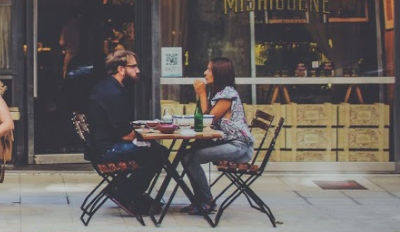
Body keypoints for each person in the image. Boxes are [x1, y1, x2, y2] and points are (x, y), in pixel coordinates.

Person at [86, 50, 167, 214]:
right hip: (108, 150)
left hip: (102, 146)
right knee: (157, 153)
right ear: (121, 69)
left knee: (156, 151)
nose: (138, 71)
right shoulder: (113, 93)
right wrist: (148, 133)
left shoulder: (108, 86)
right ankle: (125, 193)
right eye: (133, 66)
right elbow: (126, 135)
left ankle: (127, 191)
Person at [181, 57, 254, 215]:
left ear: (218, 73)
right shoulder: (219, 92)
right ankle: (200, 200)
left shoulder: (227, 95)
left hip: (238, 147)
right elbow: (204, 117)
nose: (205, 73)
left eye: (209, 70)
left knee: (190, 158)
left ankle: (205, 200)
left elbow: (207, 120)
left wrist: (201, 93)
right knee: (187, 154)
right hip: (228, 142)